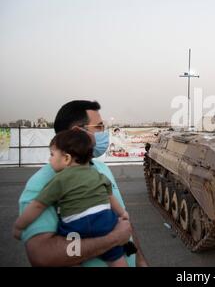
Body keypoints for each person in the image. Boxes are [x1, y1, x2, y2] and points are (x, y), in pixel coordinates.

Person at [17, 100, 148, 267]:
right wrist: (112, 240)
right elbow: (42, 256)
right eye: (99, 127)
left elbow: (122, 221)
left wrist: (140, 260)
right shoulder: (41, 184)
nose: (104, 132)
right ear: (78, 132)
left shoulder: (100, 168)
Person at [13, 129, 131, 267]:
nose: (49, 159)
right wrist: (123, 214)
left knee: (70, 257)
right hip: (105, 223)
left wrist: (19, 225)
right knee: (116, 258)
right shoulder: (99, 174)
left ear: (67, 158)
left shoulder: (58, 180)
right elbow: (110, 198)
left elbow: (38, 205)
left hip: (76, 227)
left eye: (52, 154)